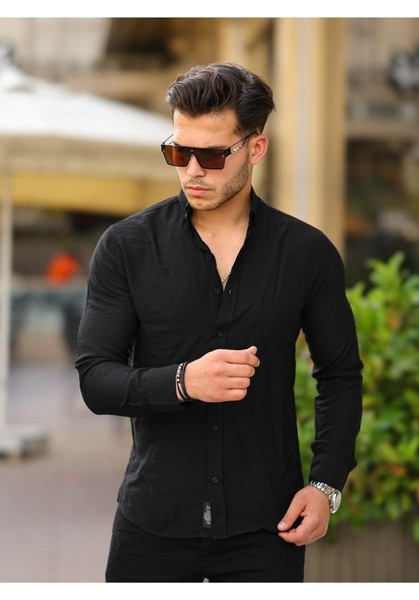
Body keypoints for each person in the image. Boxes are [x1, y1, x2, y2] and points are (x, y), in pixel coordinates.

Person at [75, 62, 363, 583]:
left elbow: (340, 375)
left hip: (268, 525)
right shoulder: (126, 247)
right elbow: (96, 378)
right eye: (178, 152)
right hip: (153, 523)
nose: (192, 170)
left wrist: (326, 485)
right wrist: (184, 382)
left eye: (210, 155)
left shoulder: (307, 253)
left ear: (255, 148)